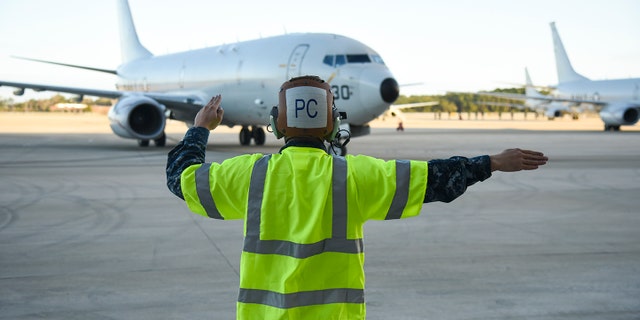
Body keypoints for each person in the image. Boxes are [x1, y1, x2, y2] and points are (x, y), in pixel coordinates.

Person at [166, 75, 548, 320]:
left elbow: (181, 178)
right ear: (332, 122)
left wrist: (200, 129)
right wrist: (493, 162)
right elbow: (437, 179)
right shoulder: (355, 175)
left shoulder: (249, 174)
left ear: (277, 123)